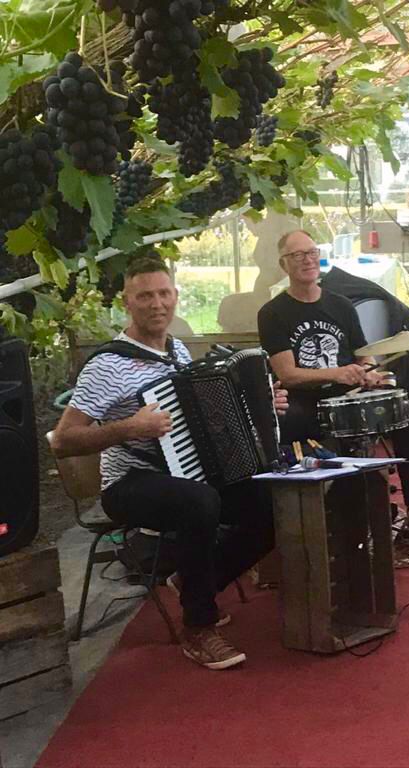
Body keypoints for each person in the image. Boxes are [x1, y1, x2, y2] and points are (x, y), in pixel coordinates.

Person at [52, 256, 287, 670]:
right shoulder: (106, 365)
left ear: (176, 296)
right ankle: (198, 626)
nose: (157, 303)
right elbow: (62, 441)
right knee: (199, 502)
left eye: (164, 293)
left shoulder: (177, 350)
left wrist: (265, 405)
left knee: (271, 499)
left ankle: (195, 581)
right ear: (127, 302)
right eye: (145, 295)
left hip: (185, 472)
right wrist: (128, 428)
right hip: (127, 484)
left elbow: (204, 417)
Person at [257, 229, 409, 529]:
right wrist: (336, 373)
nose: (307, 260)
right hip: (305, 400)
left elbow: (363, 355)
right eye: (298, 255)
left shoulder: (340, 305)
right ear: (284, 265)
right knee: (291, 421)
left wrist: (371, 374)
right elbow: (287, 375)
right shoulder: (272, 313)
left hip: (349, 393)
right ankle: (325, 515)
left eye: (312, 252)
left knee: (405, 413)